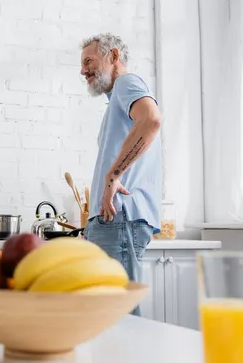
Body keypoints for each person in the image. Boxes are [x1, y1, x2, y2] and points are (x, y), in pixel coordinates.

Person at [80, 33, 162, 316]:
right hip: (112, 221)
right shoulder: (117, 100)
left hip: (120, 217)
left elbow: (151, 120)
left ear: (114, 56)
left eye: (89, 61)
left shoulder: (127, 82)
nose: (83, 70)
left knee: (119, 316)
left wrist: (113, 176)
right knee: (109, 315)